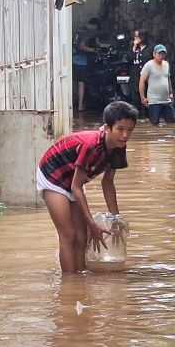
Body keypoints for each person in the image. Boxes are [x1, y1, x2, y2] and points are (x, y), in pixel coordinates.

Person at [37, 100, 139, 273]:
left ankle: (80, 278)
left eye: (129, 130)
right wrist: (91, 223)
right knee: (68, 235)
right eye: (120, 129)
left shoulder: (119, 147)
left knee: (82, 236)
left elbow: (108, 182)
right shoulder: (92, 146)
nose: (125, 135)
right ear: (107, 128)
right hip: (53, 175)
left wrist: (116, 220)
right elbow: (76, 188)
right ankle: (69, 282)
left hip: (74, 179)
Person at [140, 44, 175, 126]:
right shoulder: (148, 65)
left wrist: (171, 93)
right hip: (154, 102)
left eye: (163, 54)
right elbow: (142, 81)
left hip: (166, 100)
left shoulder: (166, 64)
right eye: (159, 54)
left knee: (172, 124)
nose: (161, 56)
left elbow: (168, 79)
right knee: (154, 124)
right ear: (154, 54)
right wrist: (142, 97)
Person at [73, 18, 101, 114]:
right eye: (95, 28)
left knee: (78, 82)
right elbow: (81, 46)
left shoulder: (79, 31)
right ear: (94, 26)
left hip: (74, 59)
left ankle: (78, 103)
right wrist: (94, 50)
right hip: (81, 61)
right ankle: (80, 105)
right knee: (82, 83)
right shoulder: (87, 32)